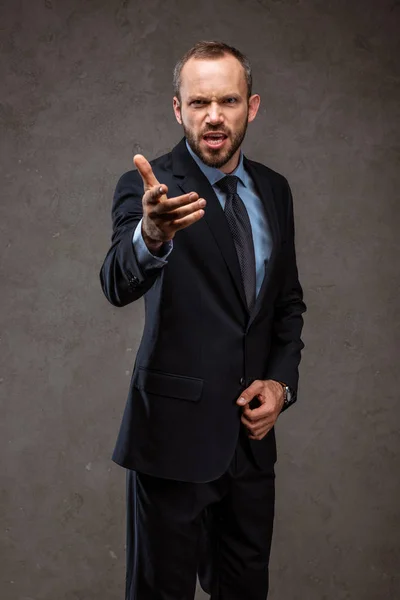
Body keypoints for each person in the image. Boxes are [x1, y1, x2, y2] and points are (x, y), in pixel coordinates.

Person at [100, 40, 306, 600]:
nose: (214, 116)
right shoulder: (149, 189)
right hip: (171, 443)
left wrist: (281, 385)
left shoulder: (275, 190)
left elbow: (286, 305)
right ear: (178, 109)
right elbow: (117, 280)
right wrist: (152, 236)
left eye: (228, 101)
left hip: (249, 448)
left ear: (252, 106)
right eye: (199, 103)